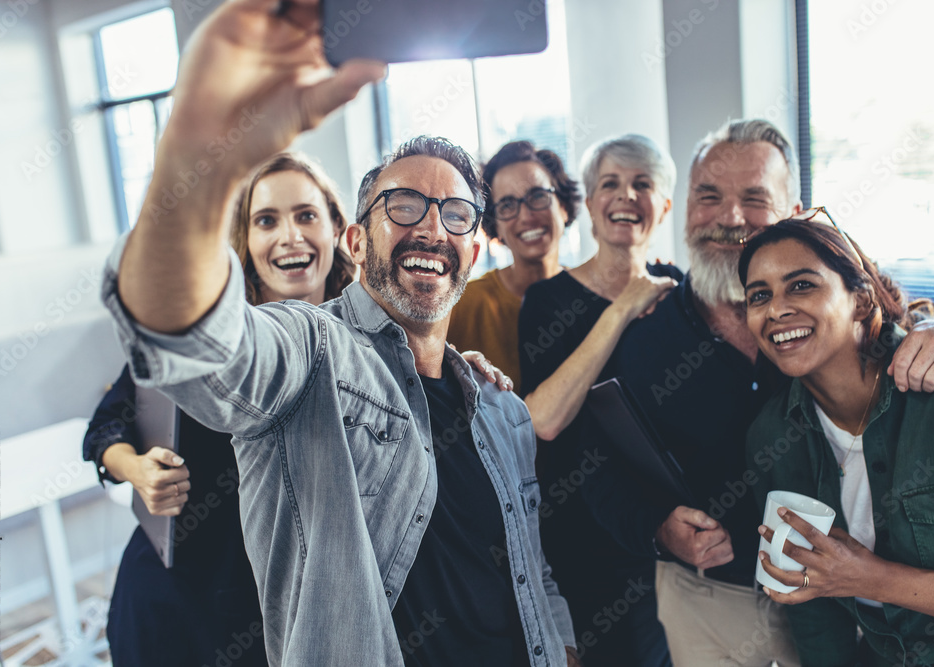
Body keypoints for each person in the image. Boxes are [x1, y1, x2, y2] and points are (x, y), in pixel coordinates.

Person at [97, 2, 577, 664]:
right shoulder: (312, 350)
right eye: (404, 205)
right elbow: (198, 344)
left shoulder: (501, 410)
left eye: (458, 214)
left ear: (475, 250)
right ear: (356, 238)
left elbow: (535, 568)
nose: (433, 228)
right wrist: (199, 157)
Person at [575, 118, 934, 667]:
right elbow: (591, 461)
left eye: (754, 198)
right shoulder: (642, 326)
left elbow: (898, 311)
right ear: (683, 207)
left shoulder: (932, 376)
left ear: (792, 208)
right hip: (718, 596)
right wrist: (656, 530)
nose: (730, 217)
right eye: (709, 196)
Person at [83, 151, 354, 666]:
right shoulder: (206, 343)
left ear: (338, 228)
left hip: (282, 609)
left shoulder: (363, 342)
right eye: (266, 220)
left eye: (306, 215)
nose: (289, 236)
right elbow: (108, 422)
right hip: (174, 598)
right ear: (246, 245)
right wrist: (137, 470)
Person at [741, 217, 934, 667]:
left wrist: (870, 578)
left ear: (861, 300)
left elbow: (842, 581)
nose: (776, 309)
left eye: (801, 285)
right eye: (759, 295)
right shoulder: (772, 437)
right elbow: (813, 608)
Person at [517, 134, 681, 666]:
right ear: (588, 204)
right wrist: (622, 309)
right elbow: (543, 418)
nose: (625, 196)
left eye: (642, 184)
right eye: (609, 184)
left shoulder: (680, 292)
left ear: (665, 206)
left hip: (667, 533)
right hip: (581, 535)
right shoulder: (548, 301)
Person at [448, 140, 581, 391]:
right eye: (508, 205)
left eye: (538, 196)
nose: (526, 216)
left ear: (563, 206)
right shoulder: (464, 305)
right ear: (494, 224)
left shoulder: (590, 296)